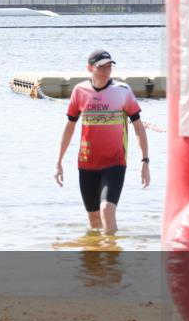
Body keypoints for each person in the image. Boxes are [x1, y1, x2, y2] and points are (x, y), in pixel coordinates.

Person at [54, 49, 150, 235]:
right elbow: (69, 127)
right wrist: (58, 162)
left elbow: (138, 127)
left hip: (115, 163)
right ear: (89, 68)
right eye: (101, 67)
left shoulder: (123, 91)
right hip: (87, 163)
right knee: (94, 217)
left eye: (109, 67)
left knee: (107, 210)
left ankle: (112, 258)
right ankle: (96, 261)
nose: (106, 71)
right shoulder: (79, 91)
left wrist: (145, 162)